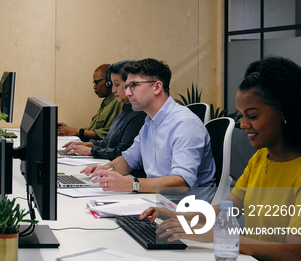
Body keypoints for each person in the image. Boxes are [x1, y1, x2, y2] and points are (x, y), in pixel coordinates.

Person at [141, 56, 301, 261]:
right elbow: (226, 211)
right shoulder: (261, 157)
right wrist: (176, 215)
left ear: (285, 113)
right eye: (242, 116)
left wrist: (219, 238)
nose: (244, 124)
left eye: (253, 116)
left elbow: (295, 256)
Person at [83, 58, 216, 195]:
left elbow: (181, 182)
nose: (128, 92)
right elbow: (128, 160)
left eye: (134, 85)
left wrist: (131, 184)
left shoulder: (185, 124)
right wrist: (105, 170)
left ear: (157, 87)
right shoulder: (150, 122)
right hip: (156, 200)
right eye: (127, 86)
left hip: (182, 209)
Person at [61, 60, 145, 159]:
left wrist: (92, 150)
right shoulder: (124, 110)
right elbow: (107, 142)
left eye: (117, 85)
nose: (113, 90)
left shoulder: (139, 114)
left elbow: (123, 152)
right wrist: (88, 145)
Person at [57, 63, 122, 141]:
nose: (94, 87)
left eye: (96, 82)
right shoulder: (107, 102)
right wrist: (68, 130)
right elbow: (93, 130)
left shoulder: (118, 101)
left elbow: (109, 134)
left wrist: (77, 131)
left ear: (109, 82)